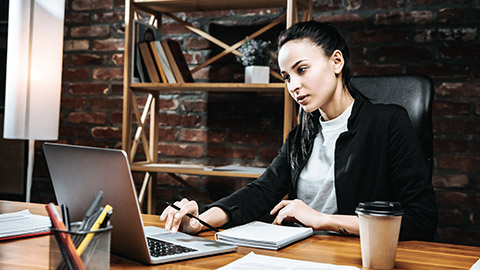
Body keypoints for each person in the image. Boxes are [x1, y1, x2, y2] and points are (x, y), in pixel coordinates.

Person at [160, 21, 438, 241]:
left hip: (357, 259)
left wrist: (322, 220)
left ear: (336, 62)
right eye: (287, 77)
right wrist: (201, 219)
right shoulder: (300, 136)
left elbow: (421, 219)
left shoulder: (388, 122)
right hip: (301, 255)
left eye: (302, 69)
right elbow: (261, 192)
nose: (293, 86)